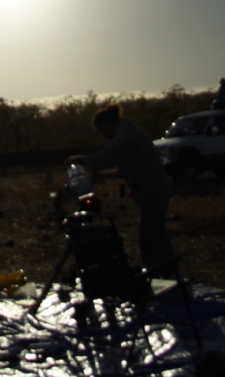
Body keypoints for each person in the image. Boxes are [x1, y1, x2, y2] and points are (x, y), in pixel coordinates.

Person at [69, 102, 174, 276]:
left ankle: (158, 276)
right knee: (157, 234)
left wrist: (81, 160)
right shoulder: (128, 133)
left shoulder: (124, 136)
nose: (103, 136)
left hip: (152, 192)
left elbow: (106, 158)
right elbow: (125, 170)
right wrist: (102, 176)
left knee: (148, 239)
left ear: (106, 124)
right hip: (154, 191)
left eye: (101, 131)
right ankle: (169, 273)